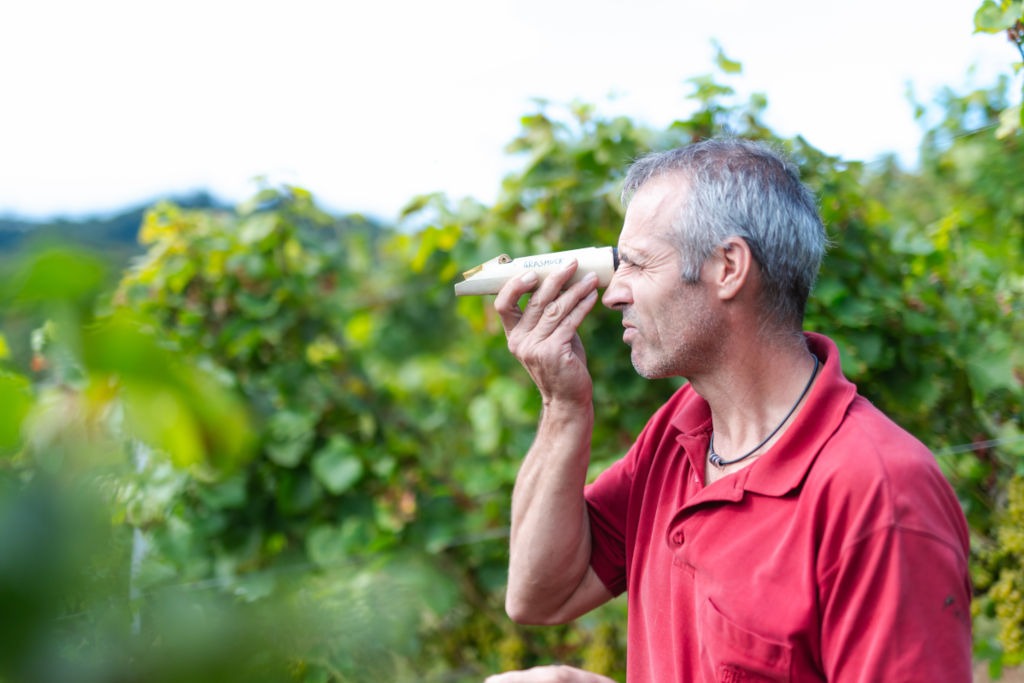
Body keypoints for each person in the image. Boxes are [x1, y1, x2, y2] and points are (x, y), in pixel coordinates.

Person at [484, 138, 972, 682]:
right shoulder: (680, 431)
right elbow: (540, 595)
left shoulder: (877, 492)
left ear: (729, 267)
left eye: (638, 265)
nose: (613, 293)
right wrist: (562, 405)